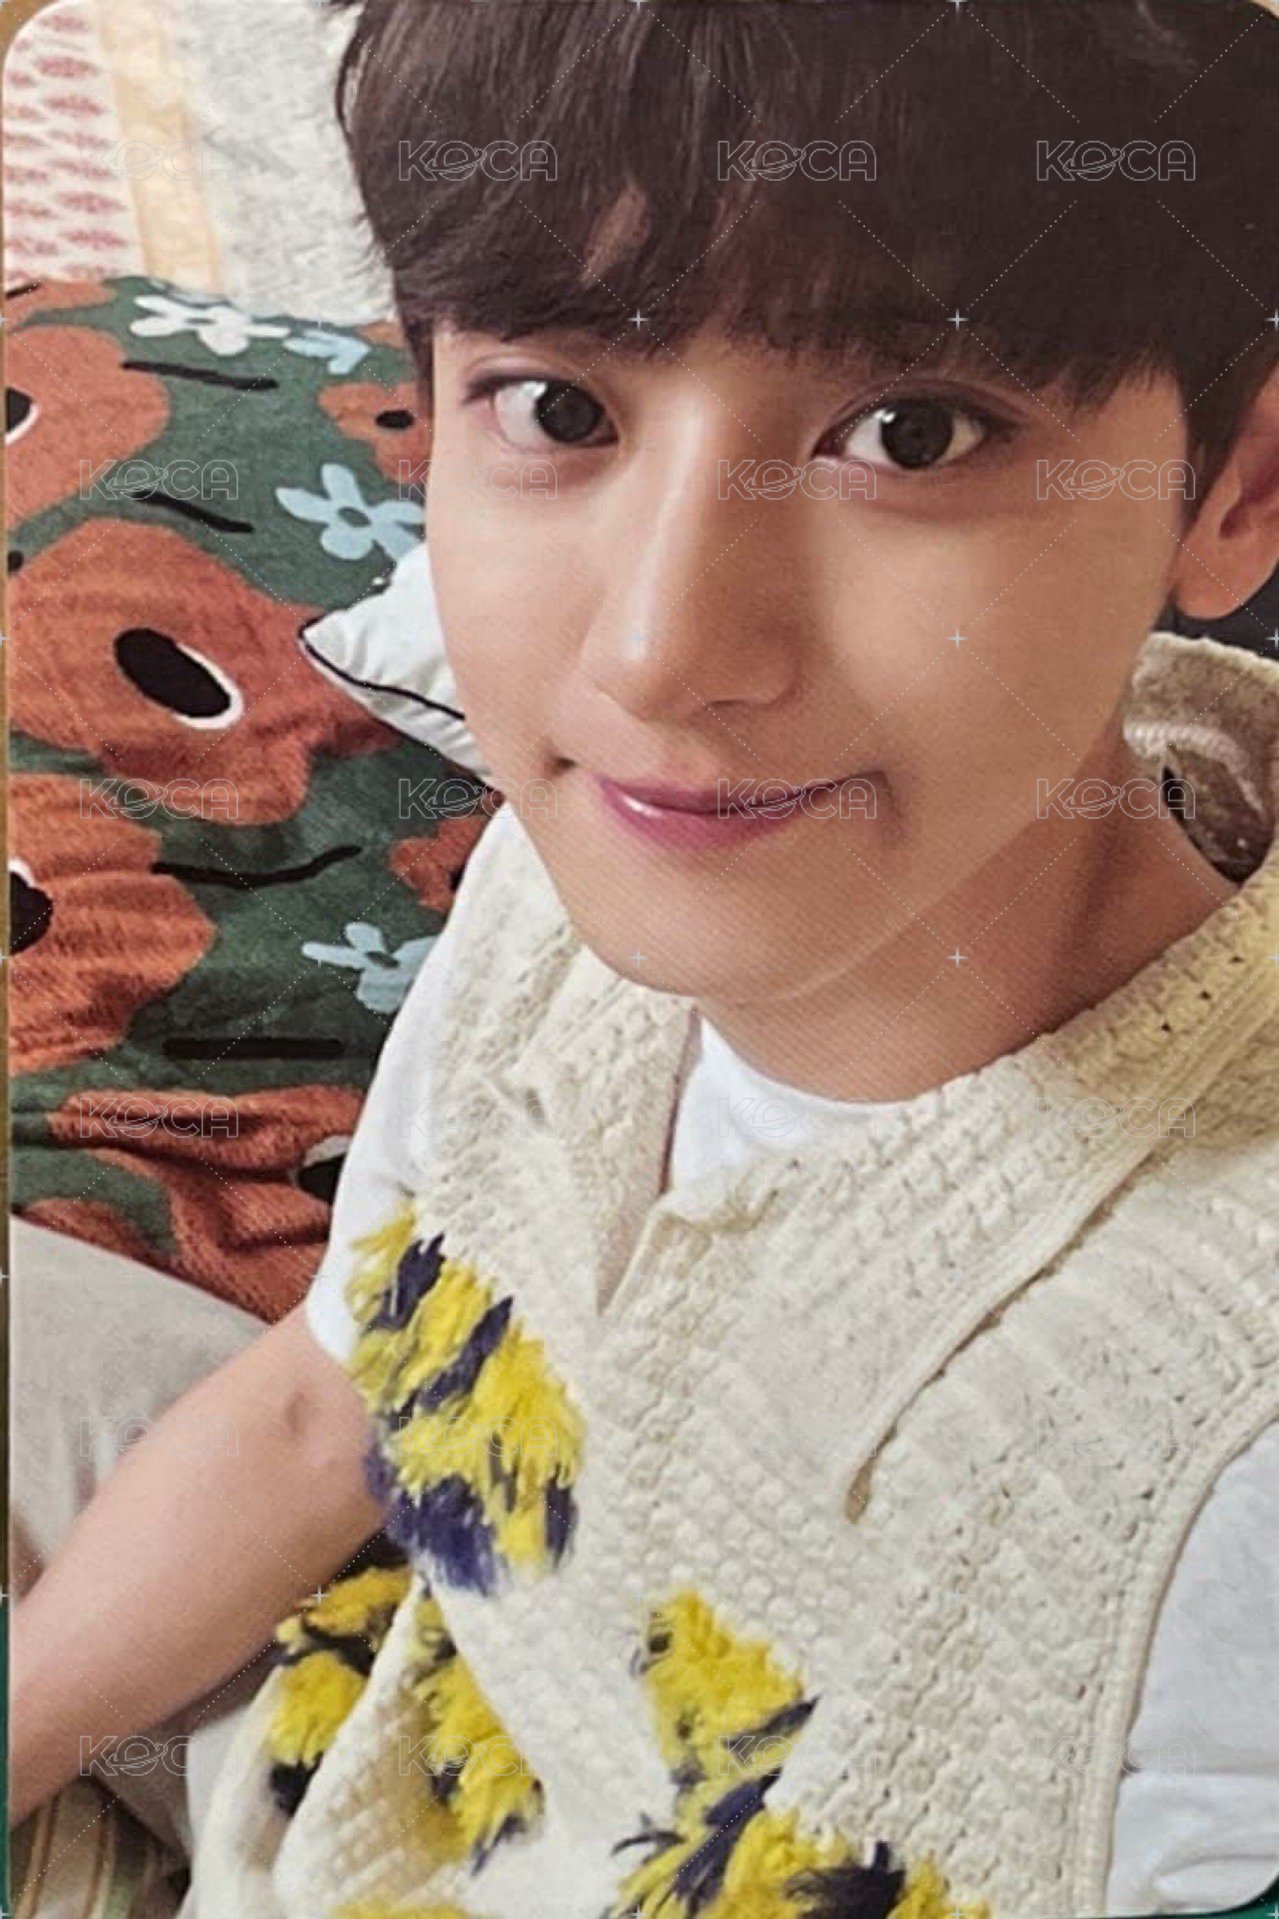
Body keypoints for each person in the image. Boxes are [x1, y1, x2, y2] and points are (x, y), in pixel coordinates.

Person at [12, 2, 1279, 1914]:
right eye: (558, 410)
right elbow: (335, 1400)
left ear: (1240, 491)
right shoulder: (587, 862)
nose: (659, 657)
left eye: (909, 433)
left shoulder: (1222, 1472)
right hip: (368, 1732)